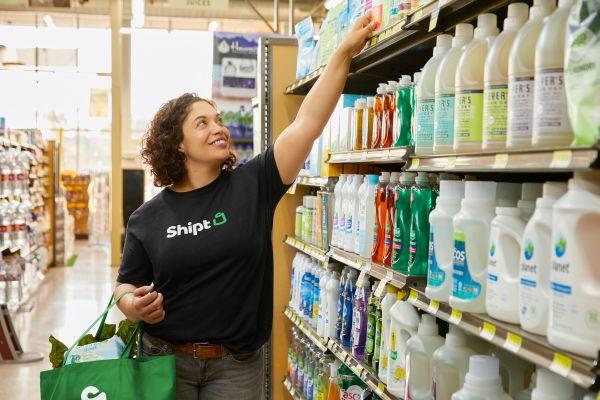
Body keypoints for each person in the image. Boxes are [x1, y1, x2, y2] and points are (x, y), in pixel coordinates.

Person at [114, 13, 375, 400]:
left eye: (218, 120)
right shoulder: (147, 218)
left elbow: (307, 123)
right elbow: (124, 284)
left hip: (235, 367)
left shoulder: (254, 183)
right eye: (201, 123)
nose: (218, 127)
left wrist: (342, 54)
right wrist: (133, 306)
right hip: (164, 359)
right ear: (178, 144)